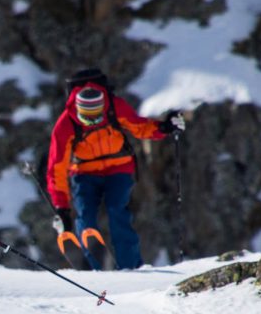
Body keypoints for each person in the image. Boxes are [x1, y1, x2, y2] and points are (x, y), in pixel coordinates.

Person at [46, 68, 185, 270]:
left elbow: (140, 127)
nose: (93, 123)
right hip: (84, 173)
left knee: (117, 211)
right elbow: (56, 167)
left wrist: (164, 127)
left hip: (119, 168)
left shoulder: (115, 107)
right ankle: (92, 266)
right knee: (85, 215)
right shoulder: (65, 124)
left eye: (97, 118)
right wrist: (62, 208)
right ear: (78, 112)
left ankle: (130, 267)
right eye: (87, 119)